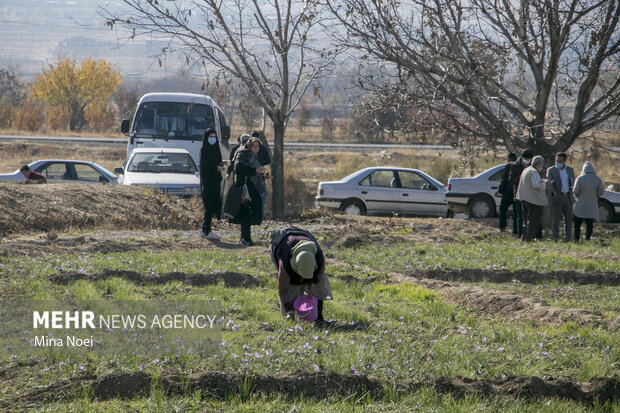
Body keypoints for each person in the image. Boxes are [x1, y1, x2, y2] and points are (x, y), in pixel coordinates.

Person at [269, 226, 333, 327]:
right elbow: (283, 290)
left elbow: (320, 271)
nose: (303, 280)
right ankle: (290, 318)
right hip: (283, 241)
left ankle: (319, 319)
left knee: (320, 284)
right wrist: (289, 312)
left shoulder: (318, 256)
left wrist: (313, 284)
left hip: (305, 237)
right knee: (291, 290)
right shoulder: (285, 264)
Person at [232, 137, 264, 246]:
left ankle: (244, 237)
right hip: (244, 188)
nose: (255, 148)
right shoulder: (244, 154)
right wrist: (255, 170)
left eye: (257, 146)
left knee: (249, 213)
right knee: (245, 213)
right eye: (253, 146)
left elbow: (253, 173)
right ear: (249, 146)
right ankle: (246, 238)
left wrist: (262, 175)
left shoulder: (252, 156)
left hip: (251, 188)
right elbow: (239, 168)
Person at [516, 155, 552, 242]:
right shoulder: (534, 172)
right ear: (539, 163)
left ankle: (524, 237)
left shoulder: (526, 170)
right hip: (533, 200)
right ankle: (529, 238)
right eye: (541, 163)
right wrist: (545, 183)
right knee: (533, 221)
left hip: (524, 199)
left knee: (525, 220)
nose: (542, 165)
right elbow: (536, 185)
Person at [199, 129, 225, 240]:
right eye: (211, 136)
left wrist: (220, 165)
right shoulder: (204, 150)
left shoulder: (216, 149)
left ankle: (205, 229)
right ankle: (206, 231)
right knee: (208, 207)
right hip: (207, 182)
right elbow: (204, 165)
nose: (212, 138)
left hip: (215, 182)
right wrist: (215, 167)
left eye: (214, 136)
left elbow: (218, 160)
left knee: (212, 206)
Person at [546, 152, 575, 242]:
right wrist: (553, 190)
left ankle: (568, 238)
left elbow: (572, 181)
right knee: (556, 218)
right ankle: (555, 236)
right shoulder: (551, 170)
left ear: (564, 161)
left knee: (568, 219)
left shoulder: (570, 170)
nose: (558, 162)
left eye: (560, 161)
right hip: (557, 197)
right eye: (557, 160)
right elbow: (549, 182)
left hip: (567, 197)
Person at [573, 162, 605, 241]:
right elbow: (601, 192)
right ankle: (587, 238)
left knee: (577, 222)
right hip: (591, 204)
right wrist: (595, 195)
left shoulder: (580, 178)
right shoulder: (597, 179)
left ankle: (576, 238)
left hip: (580, 203)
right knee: (589, 223)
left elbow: (575, 191)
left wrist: (578, 197)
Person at [508, 149, 533, 238]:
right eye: (525, 158)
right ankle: (521, 235)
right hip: (519, 195)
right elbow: (511, 180)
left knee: (530, 216)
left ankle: (529, 235)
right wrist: (523, 176)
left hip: (531, 195)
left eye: (528, 158)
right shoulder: (515, 165)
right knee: (520, 216)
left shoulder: (533, 165)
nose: (527, 160)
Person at [251, 130, 272, 219]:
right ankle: (261, 213)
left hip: (250, 175)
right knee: (262, 194)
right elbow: (268, 161)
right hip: (260, 174)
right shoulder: (263, 148)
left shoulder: (247, 148)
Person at [496, 152, 517, 233]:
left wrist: (500, 190)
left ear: (509, 158)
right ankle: (516, 230)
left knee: (502, 210)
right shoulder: (519, 166)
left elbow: (504, 180)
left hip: (508, 192)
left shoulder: (509, 166)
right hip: (517, 192)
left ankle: (502, 228)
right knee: (516, 213)